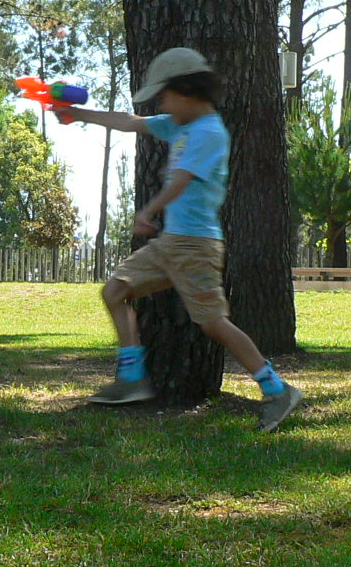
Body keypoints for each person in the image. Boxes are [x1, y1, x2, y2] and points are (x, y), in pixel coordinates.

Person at [56, 47, 303, 432]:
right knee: (115, 291)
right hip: (171, 243)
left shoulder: (209, 133)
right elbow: (130, 122)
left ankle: (277, 389)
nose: (161, 104)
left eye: (165, 96)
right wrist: (77, 114)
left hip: (195, 246)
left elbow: (183, 179)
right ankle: (132, 379)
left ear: (187, 91)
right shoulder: (180, 125)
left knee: (214, 324)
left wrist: (148, 211)